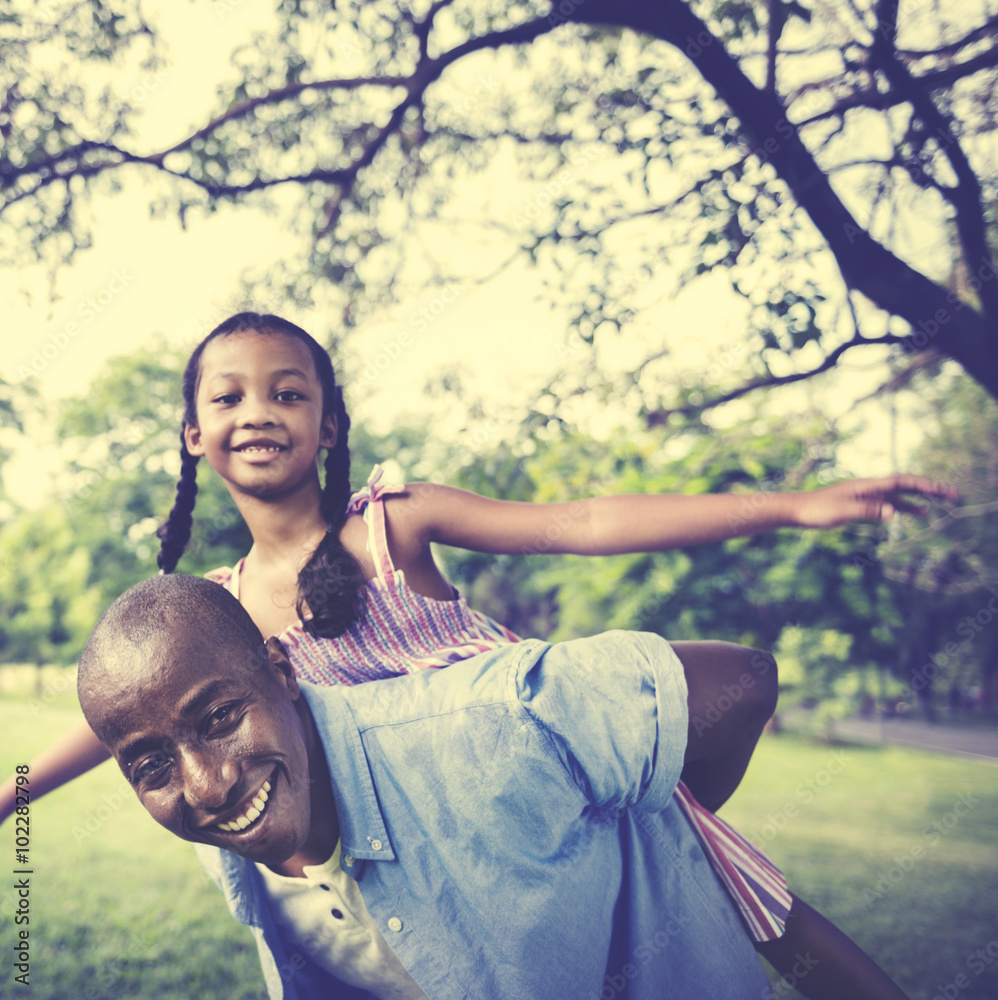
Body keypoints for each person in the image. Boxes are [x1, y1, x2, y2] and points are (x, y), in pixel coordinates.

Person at [2, 313, 949, 989]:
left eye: (289, 393)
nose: (260, 410)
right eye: (231, 395)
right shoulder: (219, 612)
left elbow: (582, 522)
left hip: (538, 788)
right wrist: (11, 796)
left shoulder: (392, 523)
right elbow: (125, 728)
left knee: (741, 897)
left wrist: (789, 505)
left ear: (327, 426)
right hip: (432, 862)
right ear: (194, 433)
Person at [77, 573, 912, 1000]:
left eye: (221, 717)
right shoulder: (227, 839)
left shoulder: (498, 723)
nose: (209, 784)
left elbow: (746, 678)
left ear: (283, 673)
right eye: (153, 765)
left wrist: (642, 824)